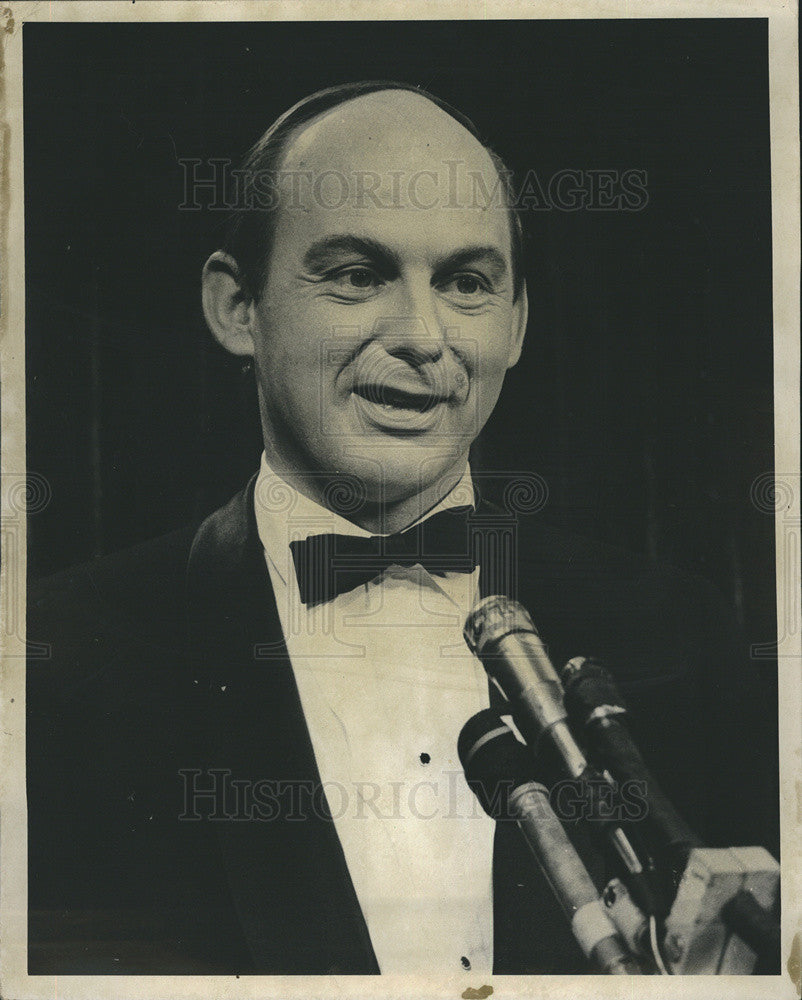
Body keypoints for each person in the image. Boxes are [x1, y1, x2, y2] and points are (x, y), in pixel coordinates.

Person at [26, 81, 772, 976]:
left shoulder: (681, 636)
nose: (423, 335)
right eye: (355, 275)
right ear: (237, 309)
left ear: (518, 323)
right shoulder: (56, 663)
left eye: (465, 283)